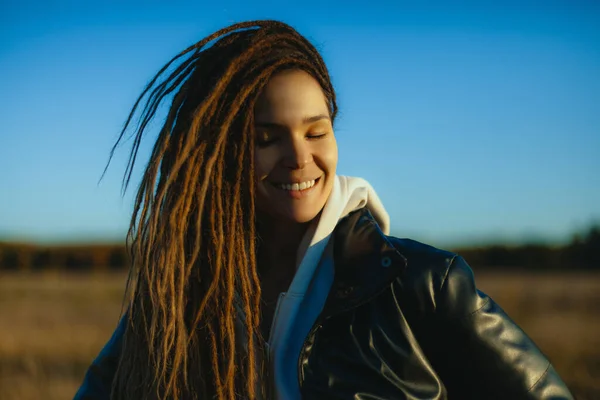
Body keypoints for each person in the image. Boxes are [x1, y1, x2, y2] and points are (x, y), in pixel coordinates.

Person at [74, 20, 573, 400]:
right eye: (265, 139)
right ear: (217, 152)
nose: (299, 157)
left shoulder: (419, 284)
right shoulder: (173, 303)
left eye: (316, 132)